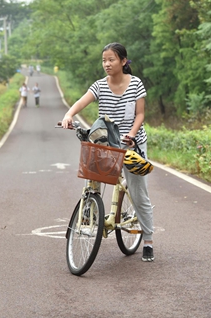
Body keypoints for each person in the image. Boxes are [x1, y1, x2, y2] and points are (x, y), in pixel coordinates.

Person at [61, 42, 155, 262]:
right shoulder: (100, 86)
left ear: (123, 61)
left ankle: (148, 240)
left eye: (111, 59)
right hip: (107, 142)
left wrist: (131, 135)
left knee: (139, 193)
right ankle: (90, 210)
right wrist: (68, 115)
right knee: (92, 174)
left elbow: (140, 115)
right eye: (104, 60)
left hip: (132, 143)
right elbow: (81, 102)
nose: (107, 64)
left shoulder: (136, 84)